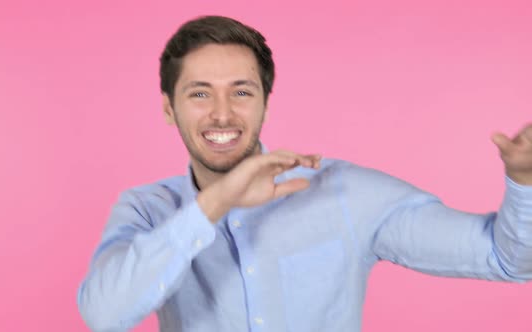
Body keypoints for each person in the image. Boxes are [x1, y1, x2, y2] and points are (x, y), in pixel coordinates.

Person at [77, 15, 532, 332]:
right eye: (199, 94)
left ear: (265, 103)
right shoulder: (146, 210)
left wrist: (525, 181)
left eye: (241, 91)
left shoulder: (347, 195)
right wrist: (215, 203)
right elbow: (104, 314)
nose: (221, 114)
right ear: (168, 109)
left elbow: (506, 259)